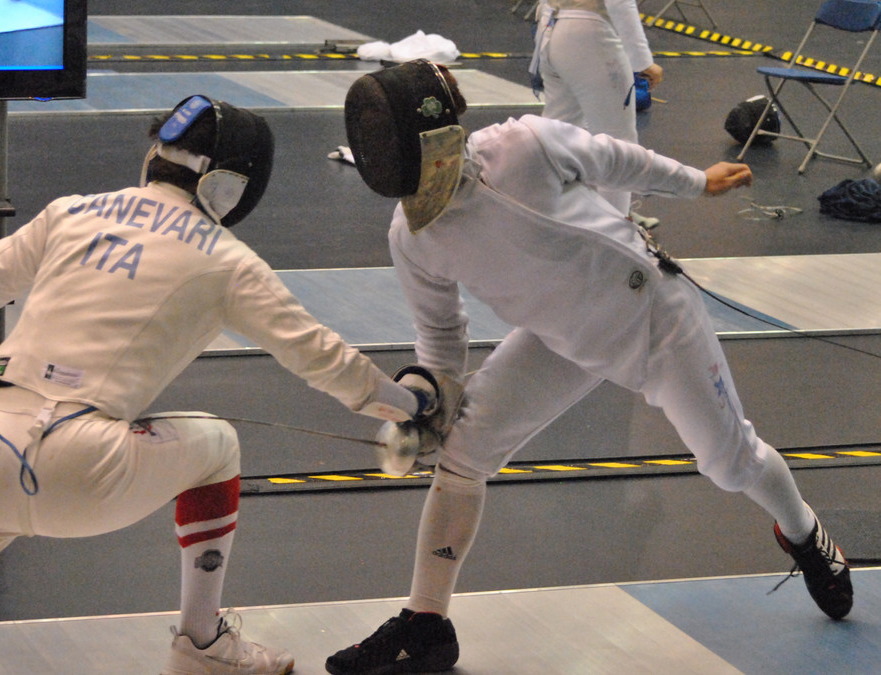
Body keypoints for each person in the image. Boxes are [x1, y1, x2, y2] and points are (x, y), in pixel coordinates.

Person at [0, 94, 441, 675]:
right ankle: (203, 648)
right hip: (82, 471)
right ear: (234, 187)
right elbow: (323, 358)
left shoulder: (72, 212)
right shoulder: (226, 261)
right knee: (217, 444)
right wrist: (408, 403)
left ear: (155, 152)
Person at [326, 59, 853, 675]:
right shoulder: (412, 237)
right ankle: (427, 621)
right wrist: (428, 395)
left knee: (730, 462)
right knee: (463, 451)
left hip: (654, 318)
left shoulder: (523, 145)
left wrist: (696, 181)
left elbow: (615, 159)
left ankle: (803, 531)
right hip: (561, 340)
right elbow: (441, 337)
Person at [528, 0, 664, 225]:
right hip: (588, 31)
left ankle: (539, 213)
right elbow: (620, 2)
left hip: (550, 25)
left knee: (556, 133)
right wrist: (642, 61)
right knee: (619, 143)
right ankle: (617, 228)